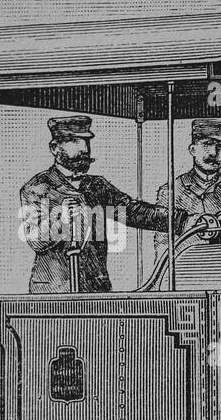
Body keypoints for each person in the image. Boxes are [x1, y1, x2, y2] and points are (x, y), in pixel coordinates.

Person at [19, 115, 201, 293]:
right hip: (54, 292)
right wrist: (62, 220)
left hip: (96, 289)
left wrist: (183, 221)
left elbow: (133, 211)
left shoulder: (97, 186)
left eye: (86, 141)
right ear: (54, 147)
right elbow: (35, 240)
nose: (83, 149)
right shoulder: (37, 188)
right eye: (74, 141)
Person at [155, 119, 221, 219]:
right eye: (207, 144)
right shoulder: (170, 192)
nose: (213, 153)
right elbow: (162, 233)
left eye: (220, 146)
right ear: (193, 150)